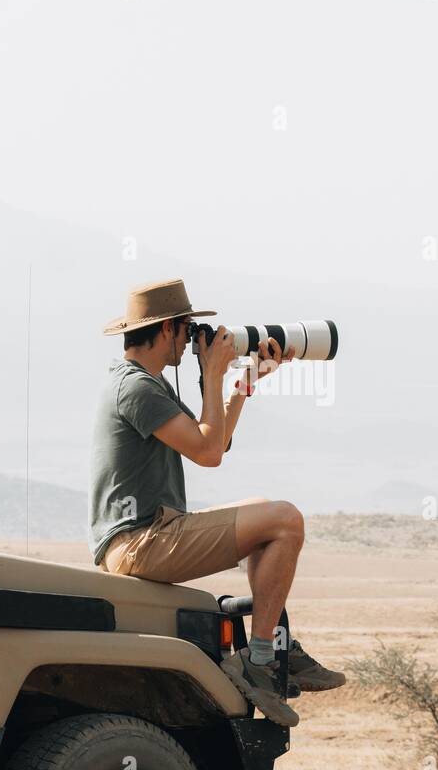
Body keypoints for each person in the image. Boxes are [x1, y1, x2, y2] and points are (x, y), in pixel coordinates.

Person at [88, 278, 345, 727]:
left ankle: (268, 646)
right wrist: (216, 372)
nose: (192, 340)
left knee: (267, 509)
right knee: (286, 520)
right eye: (187, 329)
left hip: (153, 533)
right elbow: (207, 454)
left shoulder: (149, 384)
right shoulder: (136, 388)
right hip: (140, 542)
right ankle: (259, 658)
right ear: (167, 329)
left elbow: (215, 440)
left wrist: (243, 382)